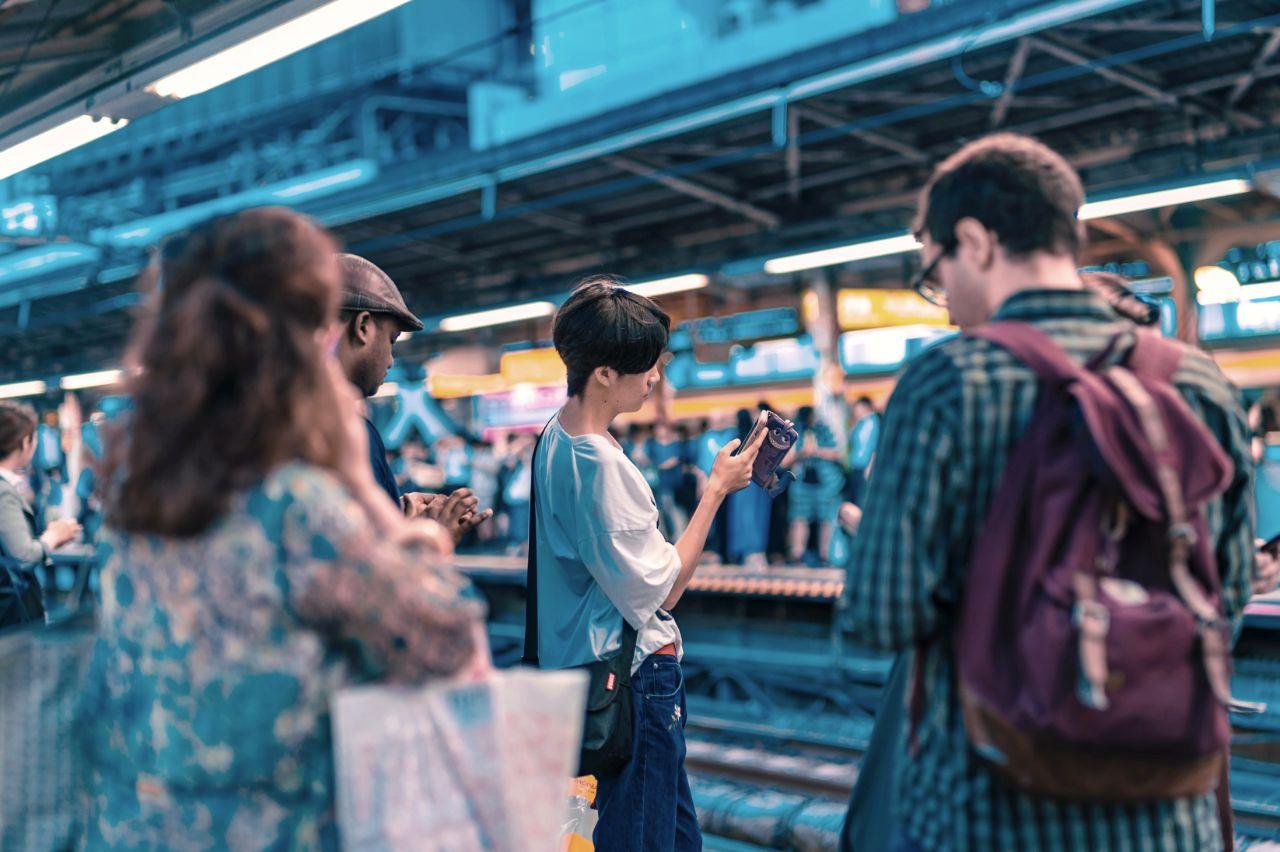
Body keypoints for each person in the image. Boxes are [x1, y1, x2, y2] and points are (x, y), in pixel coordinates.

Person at [844, 134, 1255, 851]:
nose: (945, 305)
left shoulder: (948, 382)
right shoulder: (1197, 382)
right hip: (1164, 807)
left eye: (936, 274)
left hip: (989, 805)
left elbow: (882, 614)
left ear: (974, 241)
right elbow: (1231, 587)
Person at [84, 208, 489, 850]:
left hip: (139, 826)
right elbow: (447, 641)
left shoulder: (140, 499)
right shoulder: (296, 501)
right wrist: (421, 533)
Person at [530, 277, 764, 852]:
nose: (655, 378)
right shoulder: (600, 467)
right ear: (605, 373)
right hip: (634, 679)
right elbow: (665, 593)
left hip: (583, 667)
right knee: (642, 838)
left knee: (675, 837)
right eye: (645, 367)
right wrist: (716, 492)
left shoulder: (552, 437)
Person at [333, 253, 490, 543]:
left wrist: (398, 514)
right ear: (363, 327)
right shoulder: (349, 434)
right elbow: (372, 572)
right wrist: (433, 538)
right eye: (391, 340)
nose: (391, 360)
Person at [0, 401, 80, 628]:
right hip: (9, 613)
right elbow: (23, 556)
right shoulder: (3, 492)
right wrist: (52, 537)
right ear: (25, 442)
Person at [785, 405, 842, 564]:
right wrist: (802, 453)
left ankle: (826, 555)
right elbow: (785, 462)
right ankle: (797, 555)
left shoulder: (825, 430)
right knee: (799, 518)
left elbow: (838, 454)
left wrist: (816, 451)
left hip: (826, 483)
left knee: (826, 519)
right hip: (802, 484)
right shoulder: (795, 433)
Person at [727, 407, 771, 570]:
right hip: (759, 482)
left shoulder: (736, 438)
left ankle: (748, 554)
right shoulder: (759, 437)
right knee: (758, 518)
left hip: (741, 484)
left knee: (743, 519)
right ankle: (758, 554)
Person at [649, 421, 689, 539]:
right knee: (662, 511)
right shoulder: (652, 445)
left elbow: (676, 459)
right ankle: (665, 536)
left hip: (675, 484)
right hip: (660, 485)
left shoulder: (675, 443)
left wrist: (661, 465)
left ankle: (679, 535)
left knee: (675, 510)